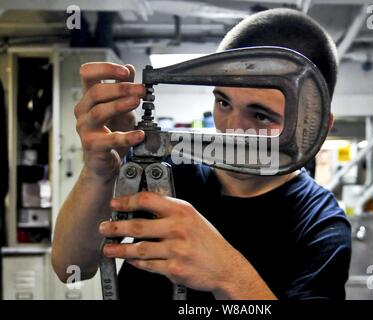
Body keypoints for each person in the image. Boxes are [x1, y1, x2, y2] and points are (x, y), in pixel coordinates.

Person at [51, 8, 351, 300]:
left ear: (318, 127)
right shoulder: (164, 169)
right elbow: (70, 268)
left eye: (260, 116)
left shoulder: (321, 225)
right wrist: (99, 171)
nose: (233, 129)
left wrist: (228, 275)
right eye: (223, 103)